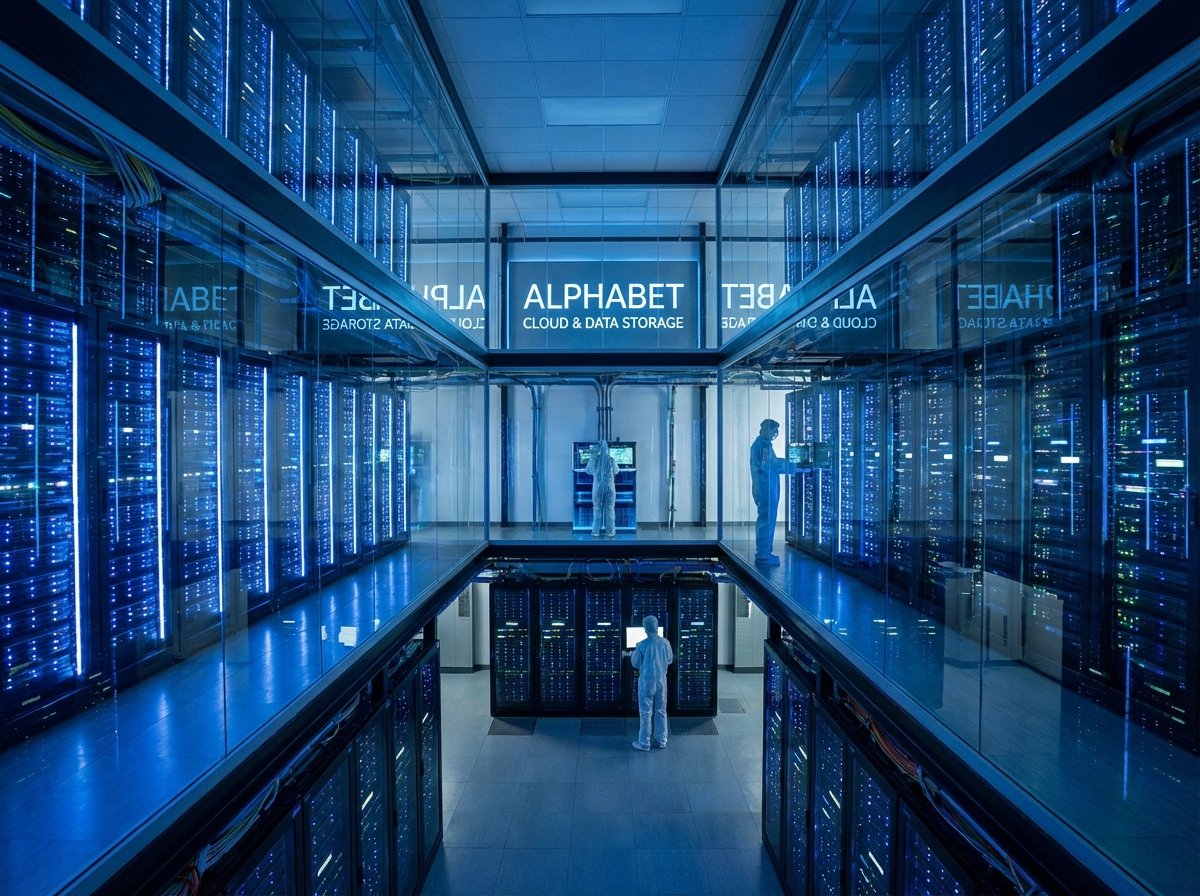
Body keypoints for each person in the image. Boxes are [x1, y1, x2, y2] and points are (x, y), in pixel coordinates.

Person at [750, 418, 795, 566]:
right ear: (766, 430)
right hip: (766, 489)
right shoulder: (763, 445)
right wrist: (791, 465)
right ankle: (763, 554)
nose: (775, 433)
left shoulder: (760, 444)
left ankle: (764, 552)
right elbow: (769, 465)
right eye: (773, 430)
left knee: (765, 520)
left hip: (764, 488)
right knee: (767, 521)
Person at [630, 615, 674, 751]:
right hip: (661, 681)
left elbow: (635, 663)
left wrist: (633, 653)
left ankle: (644, 743)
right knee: (661, 711)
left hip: (646, 682)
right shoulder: (665, 643)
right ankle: (662, 740)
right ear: (656, 627)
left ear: (645, 628)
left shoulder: (642, 645)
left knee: (645, 712)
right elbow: (670, 660)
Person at [585, 439, 617, 537]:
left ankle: (595, 532)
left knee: (597, 508)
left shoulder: (594, 459)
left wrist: (593, 456)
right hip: (609, 487)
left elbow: (588, 470)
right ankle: (610, 532)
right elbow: (616, 471)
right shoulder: (611, 459)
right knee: (610, 508)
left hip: (597, 487)